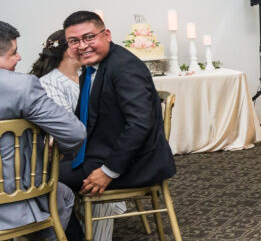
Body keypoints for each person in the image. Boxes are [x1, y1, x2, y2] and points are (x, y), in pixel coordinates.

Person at [0, 21, 85, 241]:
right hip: (14, 195)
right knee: (61, 194)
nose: (19, 57)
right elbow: (74, 132)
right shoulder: (21, 86)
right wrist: (56, 155)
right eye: (13, 53)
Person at [58, 10, 176, 200]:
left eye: (89, 37)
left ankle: (64, 221)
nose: (82, 46)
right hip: (101, 151)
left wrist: (108, 171)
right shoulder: (92, 67)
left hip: (134, 164)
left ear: (106, 35)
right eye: (74, 41)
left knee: (41, 180)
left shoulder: (125, 67)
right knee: (41, 170)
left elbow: (139, 124)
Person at [30, 30, 125, 241]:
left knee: (96, 166)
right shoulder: (50, 83)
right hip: (69, 151)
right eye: (76, 43)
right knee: (80, 173)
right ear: (67, 51)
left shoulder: (88, 75)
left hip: (99, 148)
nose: (85, 47)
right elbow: (65, 131)